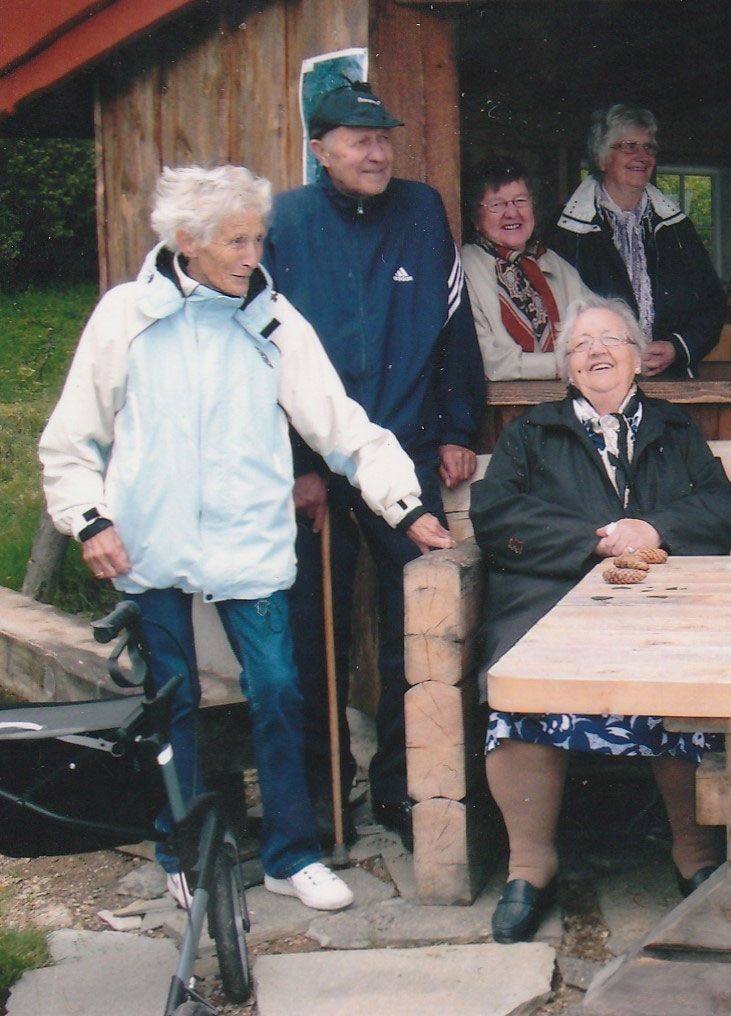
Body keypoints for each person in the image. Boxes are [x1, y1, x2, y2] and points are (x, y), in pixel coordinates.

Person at [39, 165, 455, 912]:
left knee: (279, 689)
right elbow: (71, 439)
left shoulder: (273, 321)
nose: (252, 254)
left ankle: (289, 855)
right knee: (175, 701)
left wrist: (403, 504)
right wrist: (90, 520)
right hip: (151, 540)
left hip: (247, 541)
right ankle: (182, 847)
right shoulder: (125, 317)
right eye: (236, 240)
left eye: (257, 238)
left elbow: (341, 425)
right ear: (187, 243)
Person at [471, 297, 731, 944]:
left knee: (683, 677)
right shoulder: (532, 434)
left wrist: (655, 528)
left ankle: (694, 856)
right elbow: (497, 516)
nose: (596, 351)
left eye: (611, 340)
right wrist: (593, 540)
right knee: (524, 675)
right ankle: (530, 867)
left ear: (637, 357)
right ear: (567, 367)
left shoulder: (674, 431)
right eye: (581, 344)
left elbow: (718, 510)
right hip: (552, 599)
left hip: (661, 602)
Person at [265, 80, 485, 845]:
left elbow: (456, 325)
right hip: (318, 471)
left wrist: (459, 425)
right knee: (312, 637)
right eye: (359, 140)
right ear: (319, 150)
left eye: (384, 137)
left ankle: (401, 789)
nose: (377, 151)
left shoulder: (421, 211)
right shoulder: (286, 222)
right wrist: (298, 465)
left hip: (407, 458)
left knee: (413, 634)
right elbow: (265, 355)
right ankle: (326, 799)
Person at [544, 105, 725, 379]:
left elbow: (711, 304)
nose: (642, 156)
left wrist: (677, 347)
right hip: (595, 382)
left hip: (670, 382)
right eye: (629, 146)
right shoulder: (566, 229)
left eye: (649, 148)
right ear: (601, 158)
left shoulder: (676, 227)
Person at [461, 156, 590, 380]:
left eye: (520, 201)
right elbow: (490, 363)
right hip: (497, 409)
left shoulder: (554, 264)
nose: (512, 213)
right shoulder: (465, 267)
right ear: (475, 217)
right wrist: (566, 363)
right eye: (496, 204)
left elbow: (598, 325)